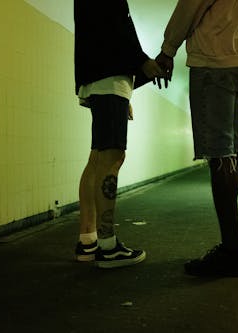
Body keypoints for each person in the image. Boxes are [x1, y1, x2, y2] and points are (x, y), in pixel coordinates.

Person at [156, 0, 238, 277]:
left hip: (214, 59)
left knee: (220, 153)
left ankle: (232, 251)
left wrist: (167, 49)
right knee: (236, 147)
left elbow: (191, 4)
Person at [73, 0, 166, 268]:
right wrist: (140, 61)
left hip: (97, 77)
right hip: (110, 77)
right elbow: (117, 24)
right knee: (113, 156)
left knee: (98, 157)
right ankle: (108, 246)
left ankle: (88, 239)